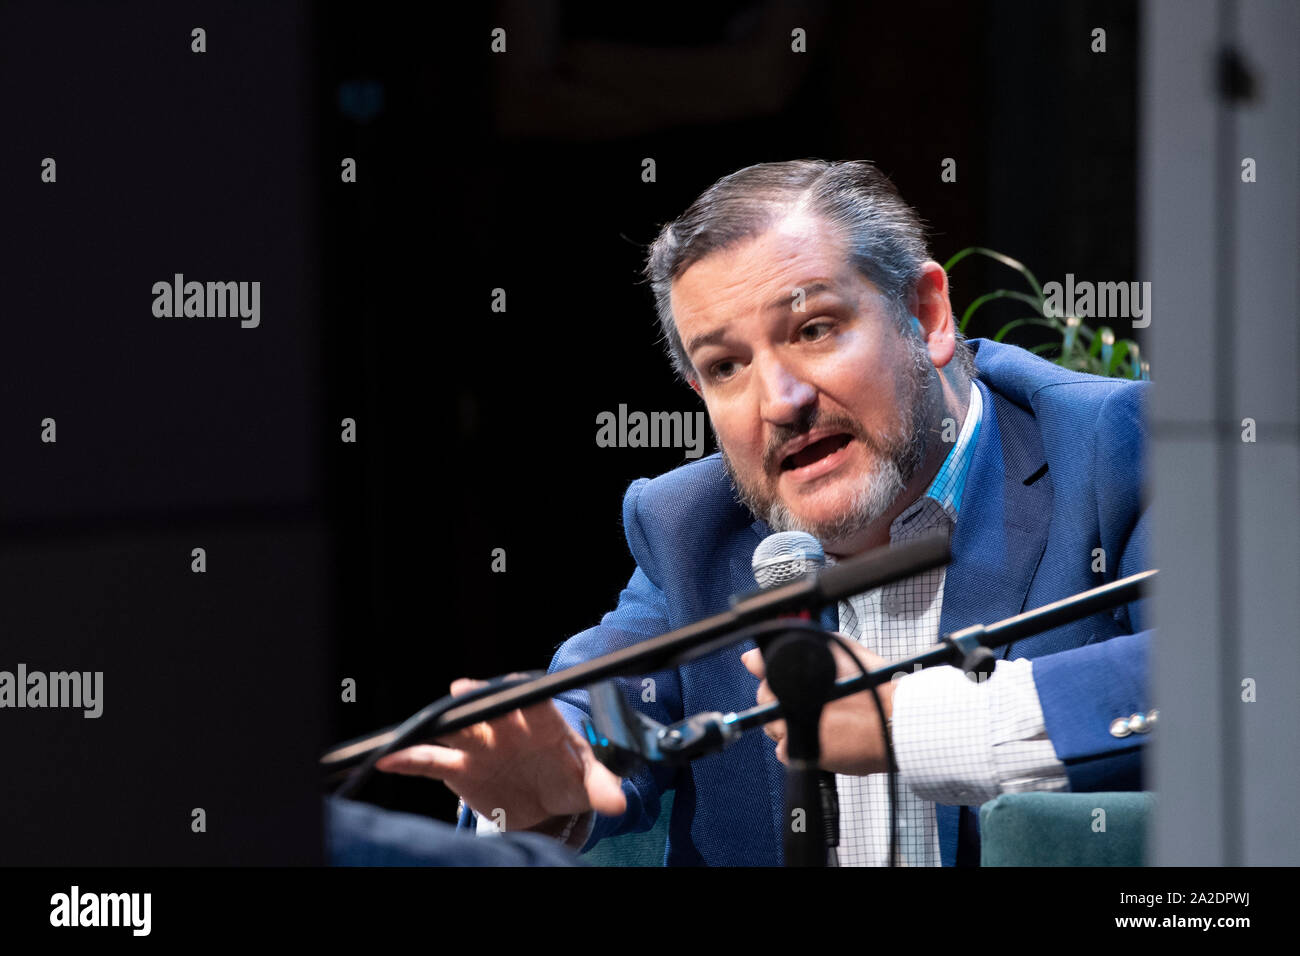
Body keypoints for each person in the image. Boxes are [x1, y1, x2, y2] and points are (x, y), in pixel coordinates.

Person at [376, 159, 1154, 866]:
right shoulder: (692, 525)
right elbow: (611, 698)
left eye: (814, 329)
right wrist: (558, 772)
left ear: (927, 313)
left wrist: (900, 722)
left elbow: (1228, 677)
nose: (779, 403)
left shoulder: (1114, 450)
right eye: (726, 367)